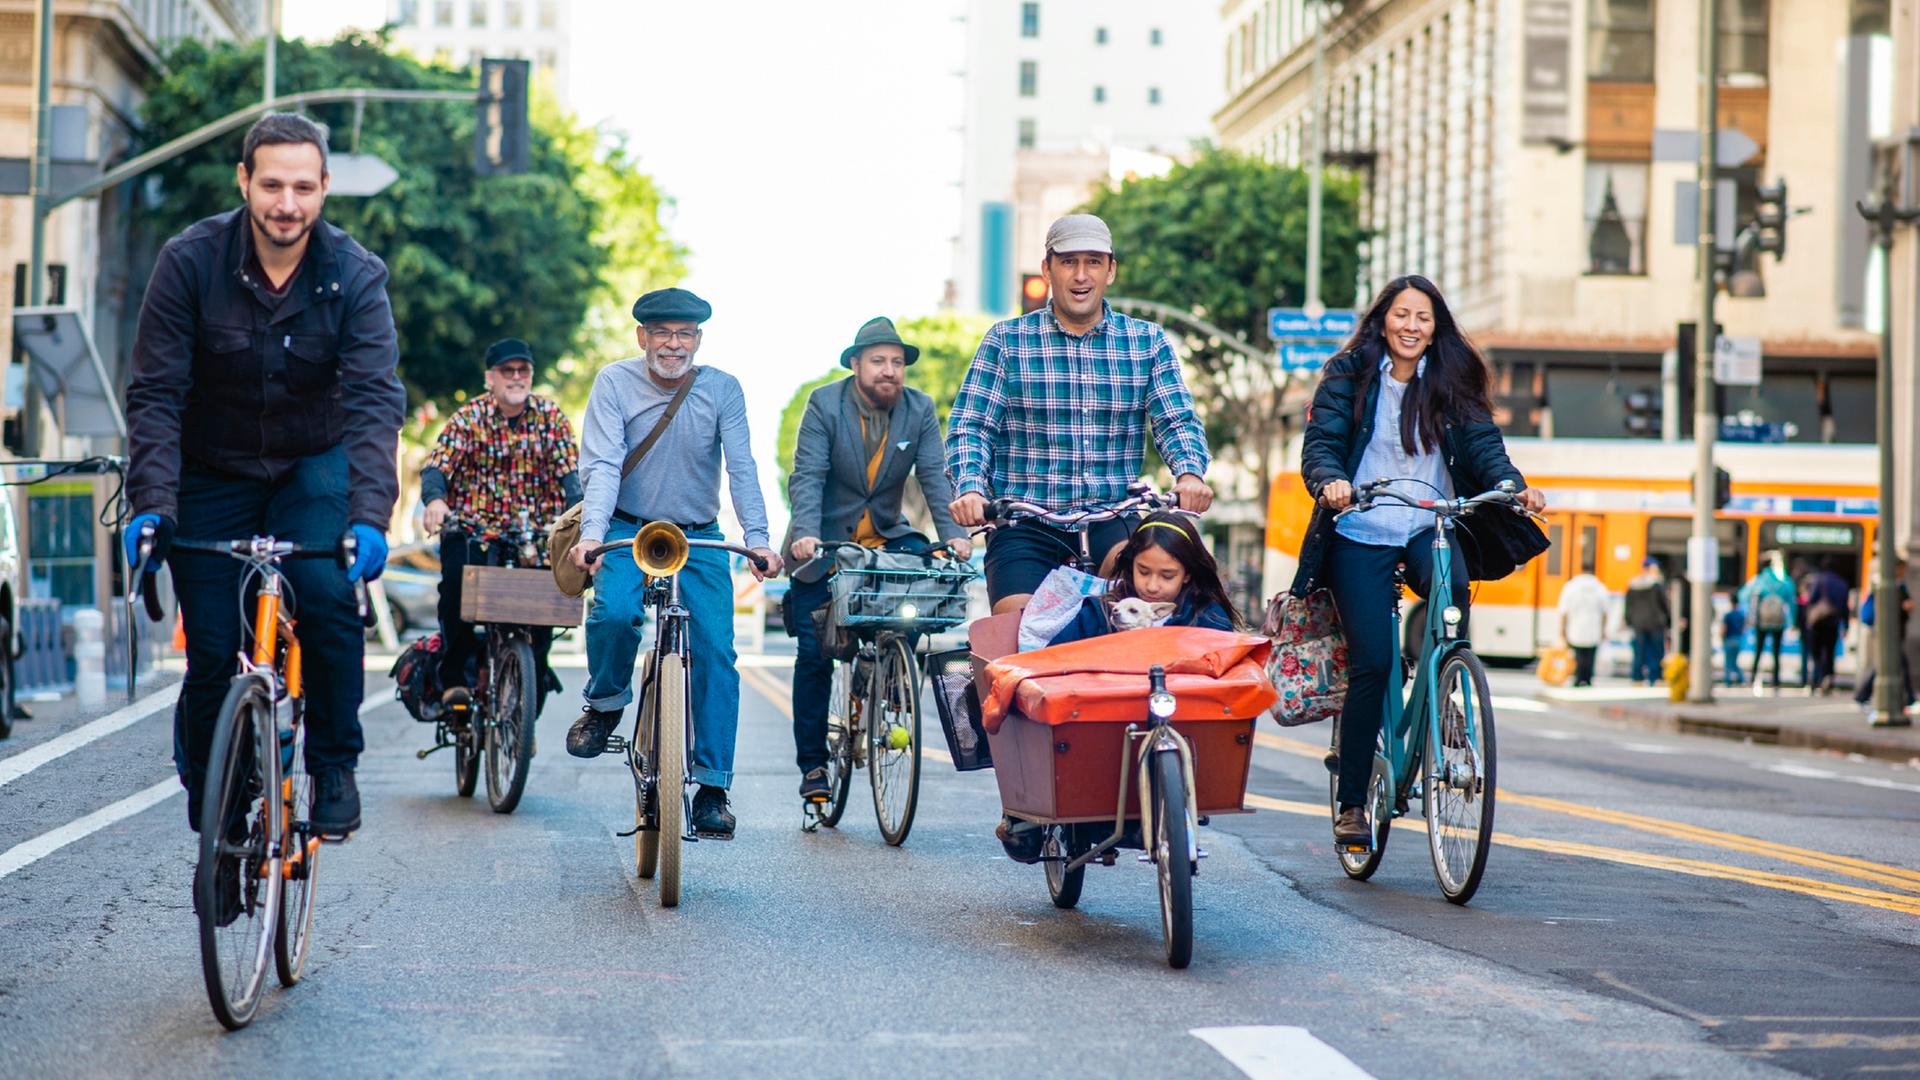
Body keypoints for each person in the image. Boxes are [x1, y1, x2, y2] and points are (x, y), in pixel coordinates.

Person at [123, 113, 405, 872]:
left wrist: (368, 516)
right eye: (273, 184)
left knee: (323, 591)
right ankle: (216, 790)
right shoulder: (190, 262)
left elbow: (378, 402)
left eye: (304, 187)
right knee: (212, 651)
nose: (288, 203)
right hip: (208, 470)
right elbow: (155, 392)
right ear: (244, 181)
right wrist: (153, 501)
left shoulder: (356, 275)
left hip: (311, 464)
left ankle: (334, 763)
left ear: (324, 188)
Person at [1290, 274, 1548, 850]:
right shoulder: (1349, 373)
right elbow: (1324, 442)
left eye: (1423, 318)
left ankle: (1443, 681)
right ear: (1384, 318)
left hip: (1426, 523)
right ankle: (1353, 803)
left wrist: (1512, 485)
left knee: (1452, 590)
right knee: (1372, 665)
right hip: (1360, 528)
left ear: (1436, 328)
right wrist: (1329, 480)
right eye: (1402, 315)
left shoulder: (1451, 381)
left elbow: (1484, 446)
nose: (1412, 326)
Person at [562, 288, 781, 839]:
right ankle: (606, 702)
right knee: (612, 614)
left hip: (700, 534)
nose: (673, 343)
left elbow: (744, 470)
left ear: (699, 340)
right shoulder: (614, 382)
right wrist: (591, 538)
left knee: (715, 650)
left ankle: (712, 788)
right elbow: (605, 465)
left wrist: (758, 539)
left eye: (685, 333)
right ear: (642, 337)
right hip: (626, 526)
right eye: (662, 332)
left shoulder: (723, 388)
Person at [945, 214, 1213, 613]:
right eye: (1068, 262)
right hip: (1025, 523)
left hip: (1113, 516)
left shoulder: (1147, 341)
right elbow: (971, 427)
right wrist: (970, 488)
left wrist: (1189, 473)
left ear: (1111, 271)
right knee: (1015, 630)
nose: (1081, 275)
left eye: (1093, 262)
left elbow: (1175, 418)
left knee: (1142, 602)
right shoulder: (1006, 341)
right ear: (1047, 270)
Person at [783, 317, 971, 804]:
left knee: (925, 583)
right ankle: (814, 768)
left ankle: (885, 670)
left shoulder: (920, 409)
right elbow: (807, 475)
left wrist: (953, 535)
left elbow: (935, 476)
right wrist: (804, 533)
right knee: (814, 654)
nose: (889, 371)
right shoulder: (825, 404)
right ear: (855, 364)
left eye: (896, 363)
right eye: (878, 362)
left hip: (887, 539)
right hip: (823, 547)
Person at [422, 337, 580, 717]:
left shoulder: (550, 417)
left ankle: (531, 687)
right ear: (489, 378)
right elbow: (437, 465)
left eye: (522, 370)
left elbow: (569, 472)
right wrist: (436, 500)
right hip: (477, 527)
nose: (516, 377)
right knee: (457, 583)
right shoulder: (469, 417)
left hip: (536, 530)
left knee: (546, 607)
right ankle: (455, 677)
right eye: (507, 371)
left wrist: (579, 510)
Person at [1045, 512, 1239, 647]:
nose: (1152, 586)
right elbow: (1054, 659)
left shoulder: (1208, 617)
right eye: (1144, 572)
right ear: (1131, 565)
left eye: (1167, 575)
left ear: (1188, 573)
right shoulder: (1100, 613)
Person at [1854, 559, 1913, 711]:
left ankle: (1862, 696)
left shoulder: (1896, 584)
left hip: (1894, 632)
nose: (1903, 572)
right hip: (1888, 633)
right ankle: (1910, 699)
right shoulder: (1888, 584)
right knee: (1889, 664)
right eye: (1901, 569)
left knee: (1886, 664)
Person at [1738, 551, 1797, 693]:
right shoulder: (1784, 581)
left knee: (1758, 651)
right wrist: (1793, 622)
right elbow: (1792, 602)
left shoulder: (1758, 580)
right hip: (1778, 622)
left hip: (1762, 621)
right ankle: (1775, 681)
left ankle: (1753, 678)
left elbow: (1742, 596)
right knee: (1776, 653)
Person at [1558, 555, 1610, 688]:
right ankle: (1588, 679)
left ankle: (1578, 678)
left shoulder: (1571, 586)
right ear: (1593, 570)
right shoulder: (1600, 587)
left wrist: (1562, 629)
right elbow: (1605, 611)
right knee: (1590, 654)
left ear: (1580, 570)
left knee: (1578, 654)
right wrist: (1604, 629)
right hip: (1593, 626)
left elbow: (1564, 610)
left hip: (1576, 626)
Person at [1799, 559, 1849, 695]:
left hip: (1818, 622)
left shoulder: (1818, 580)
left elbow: (1811, 600)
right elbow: (1845, 608)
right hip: (1833, 622)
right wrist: (1846, 626)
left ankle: (1819, 677)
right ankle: (1828, 677)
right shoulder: (1842, 584)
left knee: (1816, 652)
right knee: (1830, 652)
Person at [1624, 557, 1672, 686]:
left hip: (1638, 624)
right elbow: (1664, 605)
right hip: (1655, 623)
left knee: (1639, 652)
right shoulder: (1656, 585)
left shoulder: (1633, 585)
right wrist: (1669, 621)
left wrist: (1629, 621)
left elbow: (1628, 605)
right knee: (1656, 652)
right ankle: (1655, 678)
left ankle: (1637, 678)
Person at [1720, 603, 1748, 687]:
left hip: (1729, 639)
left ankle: (1728, 681)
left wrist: (1722, 638)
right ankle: (1741, 679)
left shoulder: (1728, 615)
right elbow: (1744, 626)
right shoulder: (1741, 615)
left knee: (1728, 662)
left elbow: (1724, 628)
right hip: (1738, 640)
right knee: (1734, 662)